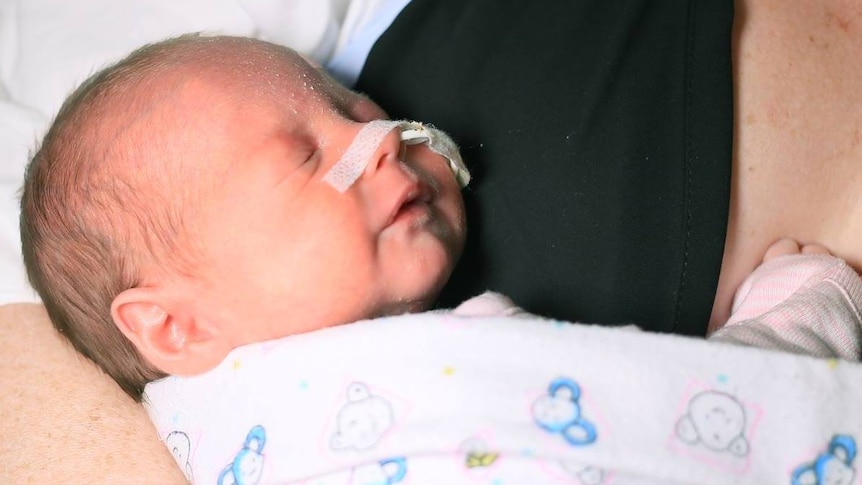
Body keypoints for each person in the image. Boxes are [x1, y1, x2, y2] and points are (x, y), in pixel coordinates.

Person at [5, 0, 862, 481]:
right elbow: (728, 414)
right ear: (176, 328)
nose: (381, 141)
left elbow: (652, 419)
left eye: (357, 112)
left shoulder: (450, 365)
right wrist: (808, 309)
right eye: (308, 157)